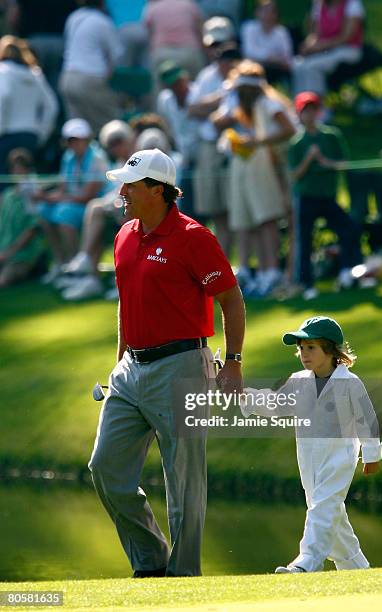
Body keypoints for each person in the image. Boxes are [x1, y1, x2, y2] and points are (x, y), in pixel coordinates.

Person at [88, 148, 245, 577]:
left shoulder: (194, 237)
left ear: (157, 190)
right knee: (105, 467)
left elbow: (231, 300)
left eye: (131, 186)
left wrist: (232, 362)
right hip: (130, 371)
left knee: (184, 483)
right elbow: (126, 303)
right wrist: (120, 361)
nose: (122, 192)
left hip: (183, 366)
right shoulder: (124, 236)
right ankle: (152, 561)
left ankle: (183, 574)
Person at [242, 315, 382, 573]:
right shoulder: (298, 381)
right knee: (330, 513)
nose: (303, 353)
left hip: (339, 458)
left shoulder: (350, 383)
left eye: (311, 347)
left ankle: (306, 563)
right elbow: (275, 404)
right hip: (308, 459)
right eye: (301, 348)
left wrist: (372, 454)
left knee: (322, 508)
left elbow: (367, 421)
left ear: (330, 350)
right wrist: (244, 395)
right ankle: (358, 569)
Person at [213, 60, 297, 297]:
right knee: (261, 220)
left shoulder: (268, 104)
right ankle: (264, 271)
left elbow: (290, 130)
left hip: (286, 168)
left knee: (273, 220)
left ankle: (277, 272)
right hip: (272, 167)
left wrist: (256, 142)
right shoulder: (251, 108)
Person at [288, 91, 362, 300]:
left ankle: (350, 272)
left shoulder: (331, 135)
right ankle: (307, 283)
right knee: (305, 241)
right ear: (300, 115)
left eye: (313, 110)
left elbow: (343, 163)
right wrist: (309, 159)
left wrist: (323, 161)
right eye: (305, 111)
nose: (310, 115)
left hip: (328, 196)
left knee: (348, 229)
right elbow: (295, 174)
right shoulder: (296, 143)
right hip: (306, 197)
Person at [58, 119, 135, 301]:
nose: (115, 147)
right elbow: (115, 193)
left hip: (137, 212)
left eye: (118, 141)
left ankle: (88, 269)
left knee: (92, 210)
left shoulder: (134, 161)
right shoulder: (118, 164)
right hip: (120, 210)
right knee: (94, 213)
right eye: (111, 144)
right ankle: (86, 273)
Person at [34, 118, 108, 283]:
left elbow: (87, 196)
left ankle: (76, 267)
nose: (74, 143)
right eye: (70, 140)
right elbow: (63, 188)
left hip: (92, 204)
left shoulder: (97, 158)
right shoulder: (68, 157)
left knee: (64, 213)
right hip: (75, 202)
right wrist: (46, 197)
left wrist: (55, 197)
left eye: (77, 139)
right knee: (42, 211)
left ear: (86, 139)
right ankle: (62, 263)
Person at [187, 42, 241, 254]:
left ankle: (229, 261)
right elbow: (193, 109)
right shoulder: (207, 77)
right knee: (215, 208)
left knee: (232, 207)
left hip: (236, 146)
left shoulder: (244, 77)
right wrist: (221, 98)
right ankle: (220, 260)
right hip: (210, 146)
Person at [59, 0, 122, 134]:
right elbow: (116, 55)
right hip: (91, 78)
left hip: (67, 78)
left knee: (77, 130)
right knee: (109, 127)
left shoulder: (73, 17)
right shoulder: (103, 21)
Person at [0, 35, 58, 178]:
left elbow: (3, 97)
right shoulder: (35, 74)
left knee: (5, 183)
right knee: (25, 181)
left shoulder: (3, 71)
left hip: (7, 137)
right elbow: (52, 106)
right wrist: (41, 133)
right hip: (30, 137)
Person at [293, 0, 365, 96]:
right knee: (298, 65)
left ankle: (317, 107)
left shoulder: (352, 3)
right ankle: (300, 105)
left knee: (312, 67)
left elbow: (346, 37)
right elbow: (315, 34)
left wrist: (321, 46)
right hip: (326, 51)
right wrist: (308, 46)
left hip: (348, 50)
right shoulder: (319, 4)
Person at [157, 60, 200, 217]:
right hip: (184, 159)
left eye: (178, 81)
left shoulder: (198, 93)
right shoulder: (165, 100)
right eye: (172, 84)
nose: (177, 86)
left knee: (206, 206)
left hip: (202, 155)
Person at [0, 148, 45, 287]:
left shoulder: (34, 194)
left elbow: (31, 230)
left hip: (23, 255)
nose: (17, 172)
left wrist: (8, 253)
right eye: (14, 168)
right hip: (4, 252)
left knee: (3, 282)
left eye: (21, 168)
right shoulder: (7, 195)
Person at [144, 0, 204, 85]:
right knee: (198, 87)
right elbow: (200, 30)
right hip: (189, 53)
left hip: (162, 54)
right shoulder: (189, 4)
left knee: (160, 90)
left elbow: (148, 32)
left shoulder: (153, 6)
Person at [241, 0, 293, 85]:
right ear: (256, 12)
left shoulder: (282, 32)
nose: (267, 13)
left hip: (276, 70)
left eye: (270, 10)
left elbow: (286, 57)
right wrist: (272, 58)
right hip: (253, 69)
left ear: (276, 14)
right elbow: (249, 51)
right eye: (263, 10)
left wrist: (271, 60)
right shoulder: (248, 27)